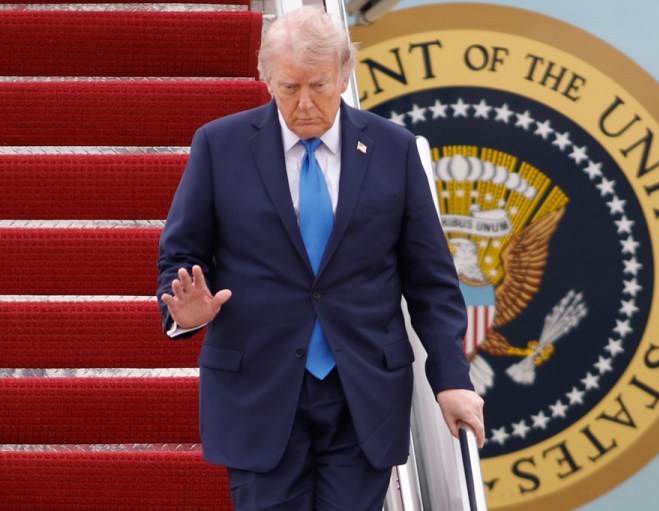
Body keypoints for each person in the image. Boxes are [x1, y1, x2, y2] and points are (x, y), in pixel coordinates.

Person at [157, 6, 484, 510]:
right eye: (289, 87)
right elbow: (181, 253)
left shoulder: (394, 150)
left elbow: (431, 282)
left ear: (344, 75)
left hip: (363, 395)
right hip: (258, 392)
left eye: (320, 86)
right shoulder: (219, 146)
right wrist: (183, 312)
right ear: (266, 80)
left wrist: (451, 381)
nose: (305, 103)